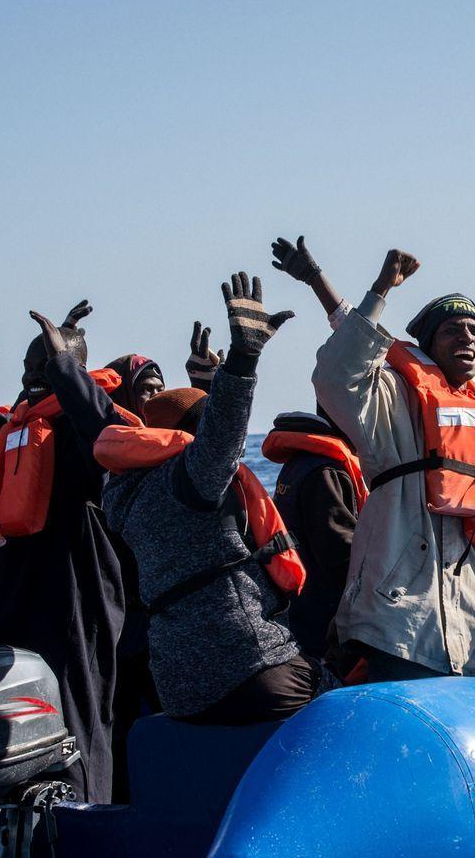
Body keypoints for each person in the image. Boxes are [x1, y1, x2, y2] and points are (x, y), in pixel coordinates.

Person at [98, 273, 338, 724]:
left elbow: (202, 434)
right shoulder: (191, 481)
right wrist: (244, 358)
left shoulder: (129, 492)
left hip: (179, 684)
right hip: (248, 665)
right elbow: (220, 434)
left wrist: (203, 384)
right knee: (346, 701)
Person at [0, 305, 137, 803]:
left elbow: (102, 426)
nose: (32, 382)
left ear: (72, 376)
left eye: (44, 370)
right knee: (15, 710)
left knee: (77, 712)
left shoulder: (90, 434)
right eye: (28, 371)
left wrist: (64, 365)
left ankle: (85, 812)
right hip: (13, 599)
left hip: (74, 599)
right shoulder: (20, 431)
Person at [311, 249, 475, 681]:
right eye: (452, 330)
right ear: (429, 345)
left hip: (471, 631)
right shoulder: (392, 401)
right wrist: (380, 291)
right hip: (397, 623)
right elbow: (336, 375)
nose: (467, 338)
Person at [261, 409, 364, 660]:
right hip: (325, 609)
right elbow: (338, 550)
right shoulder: (325, 470)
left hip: (301, 602)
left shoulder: (299, 462)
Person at [105, 352, 165, 421]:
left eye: (160, 390)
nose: (156, 395)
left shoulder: (172, 426)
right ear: (123, 393)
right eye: (147, 389)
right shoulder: (98, 428)